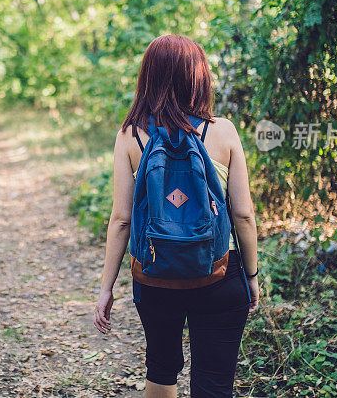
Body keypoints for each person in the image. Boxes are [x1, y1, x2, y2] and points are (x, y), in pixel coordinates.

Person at [93, 34, 260, 398]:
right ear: (198, 76)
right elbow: (243, 215)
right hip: (218, 269)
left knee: (162, 367)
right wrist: (251, 275)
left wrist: (106, 288)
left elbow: (121, 219)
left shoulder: (130, 135)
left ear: (148, 76)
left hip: (155, 273)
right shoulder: (223, 131)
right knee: (214, 382)